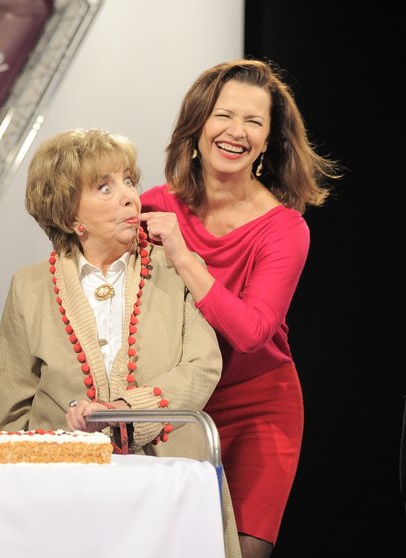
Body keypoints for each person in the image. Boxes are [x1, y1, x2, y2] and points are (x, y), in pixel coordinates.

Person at [0, 128, 240, 558]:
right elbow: (11, 410)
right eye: (105, 187)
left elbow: (203, 367)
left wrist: (123, 411)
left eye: (129, 181)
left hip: (166, 481)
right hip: (64, 492)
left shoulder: (177, 267)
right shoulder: (28, 286)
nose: (128, 197)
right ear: (70, 216)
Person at [139, 59, 339, 558]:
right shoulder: (154, 205)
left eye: (253, 121)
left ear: (268, 140)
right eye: (224, 115)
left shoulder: (285, 228)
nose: (236, 132)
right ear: (199, 123)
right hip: (175, 404)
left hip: (258, 407)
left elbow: (252, 332)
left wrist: (184, 256)